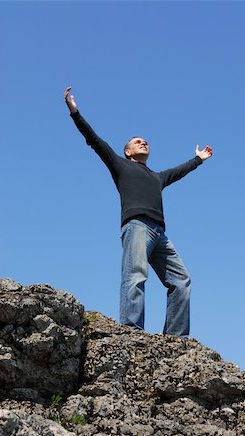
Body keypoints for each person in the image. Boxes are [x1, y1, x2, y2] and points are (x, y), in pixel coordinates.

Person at [64, 86, 213, 337]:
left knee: (181, 280)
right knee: (135, 276)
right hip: (137, 227)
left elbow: (178, 171)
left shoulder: (157, 177)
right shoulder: (120, 166)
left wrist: (197, 159)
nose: (143, 142)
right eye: (137, 141)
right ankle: (131, 332)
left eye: (145, 141)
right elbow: (95, 142)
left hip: (160, 234)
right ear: (128, 151)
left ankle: (176, 338)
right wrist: (75, 113)